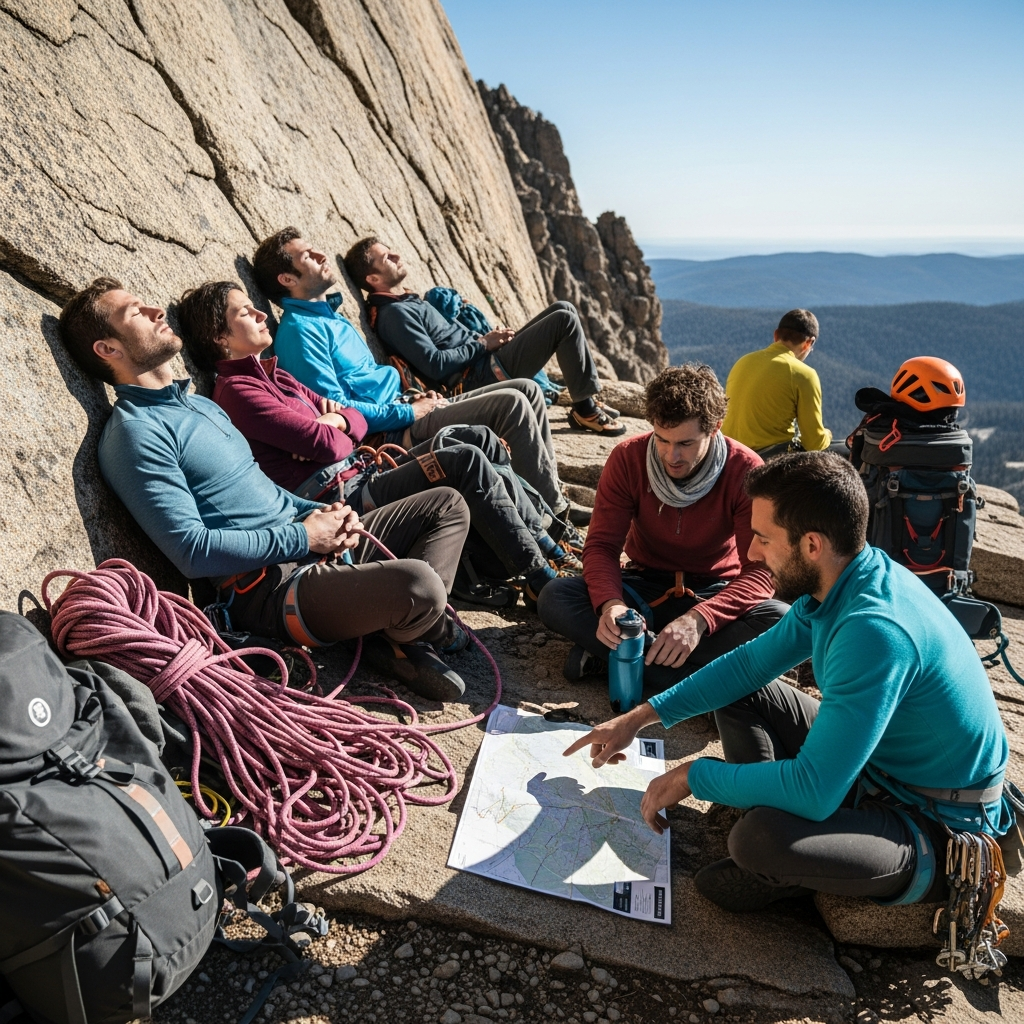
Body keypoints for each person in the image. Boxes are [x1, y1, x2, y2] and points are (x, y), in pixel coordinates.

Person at [564, 452, 1012, 912]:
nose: (751, 553)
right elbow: (747, 667)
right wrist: (640, 718)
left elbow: (815, 791)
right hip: (876, 764)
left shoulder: (873, 632)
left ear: (811, 545)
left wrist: (696, 776)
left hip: (934, 818)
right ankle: (774, 815)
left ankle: (791, 857)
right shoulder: (844, 577)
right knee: (742, 691)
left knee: (759, 842)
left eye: (762, 538)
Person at [57, 277, 474, 701]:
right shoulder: (135, 433)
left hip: (310, 542)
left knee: (447, 504)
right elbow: (190, 551)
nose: (155, 312)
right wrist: (305, 536)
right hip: (270, 589)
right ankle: (416, 625)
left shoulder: (201, 404)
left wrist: (323, 513)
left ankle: (399, 635)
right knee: (419, 584)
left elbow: (265, 490)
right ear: (108, 349)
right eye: (135, 312)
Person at [176, 281, 579, 609]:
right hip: (341, 495)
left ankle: (546, 542)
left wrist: (337, 421)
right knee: (465, 461)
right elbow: (328, 446)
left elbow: (352, 422)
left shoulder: (276, 377)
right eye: (246, 312)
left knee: (479, 437)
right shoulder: (238, 392)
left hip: (362, 473)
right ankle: (543, 579)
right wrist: (333, 426)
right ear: (220, 337)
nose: (262, 314)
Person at [252, 228, 590, 528]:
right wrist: (409, 412)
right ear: (287, 279)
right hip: (391, 432)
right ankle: (551, 517)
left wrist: (414, 401)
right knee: (512, 403)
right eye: (307, 256)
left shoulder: (332, 320)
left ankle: (547, 499)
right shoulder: (301, 333)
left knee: (528, 390)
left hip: (404, 409)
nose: (321, 255)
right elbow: (336, 412)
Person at [537, 365, 787, 692]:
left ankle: (620, 655)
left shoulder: (746, 471)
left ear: (715, 429)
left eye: (686, 442)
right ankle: (703, 687)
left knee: (779, 619)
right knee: (556, 597)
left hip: (714, 589)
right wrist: (611, 605)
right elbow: (601, 547)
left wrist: (699, 620)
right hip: (642, 587)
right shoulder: (628, 459)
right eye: (662, 439)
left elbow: (761, 571)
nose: (672, 456)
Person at [342, 236, 625, 437]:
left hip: (484, 360)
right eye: (387, 258)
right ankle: (585, 411)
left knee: (563, 308)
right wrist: (483, 344)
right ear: (373, 280)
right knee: (563, 321)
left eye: (392, 252)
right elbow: (434, 364)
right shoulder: (393, 315)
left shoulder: (405, 301)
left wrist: (486, 341)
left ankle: (585, 398)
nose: (396, 256)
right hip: (477, 377)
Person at [722, 309, 845, 459]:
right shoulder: (803, 374)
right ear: (808, 343)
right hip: (769, 462)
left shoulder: (743, 362)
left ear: (776, 335)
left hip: (730, 456)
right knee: (844, 451)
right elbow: (814, 442)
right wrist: (828, 434)